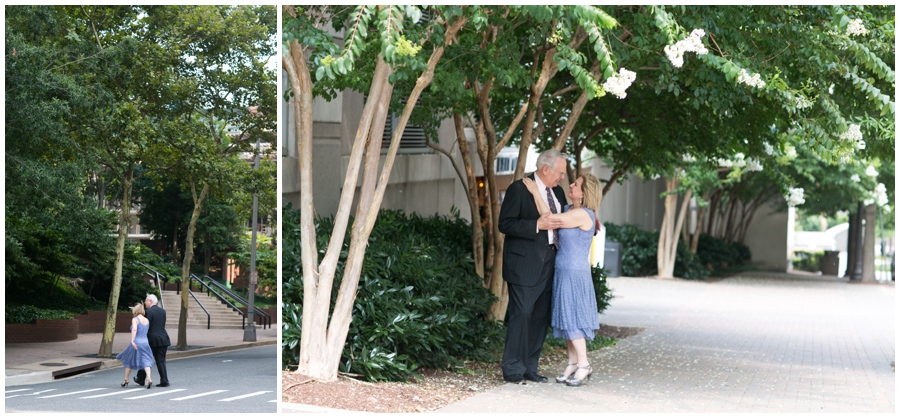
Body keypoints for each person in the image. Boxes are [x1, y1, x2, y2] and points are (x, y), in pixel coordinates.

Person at [522, 172, 602, 387]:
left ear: (584, 194)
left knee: (573, 318)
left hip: (574, 273)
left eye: (576, 184)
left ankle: (584, 364)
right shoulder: (570, 209)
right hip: (563, 271)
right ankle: (573, 362)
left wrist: (535, 192)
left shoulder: (583, 214)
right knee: (566, 318)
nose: (572, 184)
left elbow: (549, 219)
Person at [497, 149, 568, 383]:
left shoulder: (557, 192)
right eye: (560, 172)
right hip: (524, 265)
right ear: (545, 169)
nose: (562, 178)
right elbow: (505, 223)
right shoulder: (519, 188)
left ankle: (529, 367)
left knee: (539, 316)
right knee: (522, 314)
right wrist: (536, 224)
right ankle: (513, 369)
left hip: (551, 263)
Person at [134, 294, 171, 387]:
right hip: (163, 338)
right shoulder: (163, 311)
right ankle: (164, 380)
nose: (145, 303)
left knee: (146, 358)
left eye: (146, 301)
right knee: (161, 360)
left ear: (150, 302)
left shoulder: (148, 312)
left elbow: (146, 326)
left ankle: (141, 379)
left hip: (152, 339)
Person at [116, 303, 155, 389]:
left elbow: (134, 329)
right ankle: (148, 378)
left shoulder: (135, 319)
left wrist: (132, 340)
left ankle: (126, 379)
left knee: (129, 359)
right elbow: (146, 331)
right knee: (146, 360)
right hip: (145, 342)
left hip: (137, 341)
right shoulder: (146, 320)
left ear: (135, 311)